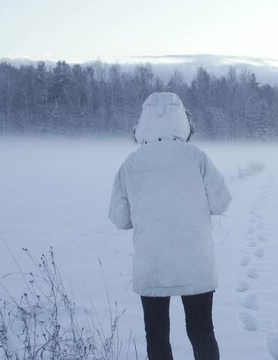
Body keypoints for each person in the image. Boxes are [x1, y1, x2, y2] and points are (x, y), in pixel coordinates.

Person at [108, 92, 231, 360]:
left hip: (152, 265)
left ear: (143, 123)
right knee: (201, 332)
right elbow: (221, 202)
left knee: (157, 336)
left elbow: (119, 218)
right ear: (181, 121)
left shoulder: (130, 165)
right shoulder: (196, 157)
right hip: (195, 264)